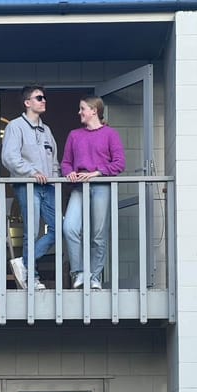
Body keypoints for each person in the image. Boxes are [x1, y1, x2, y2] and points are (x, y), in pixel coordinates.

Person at [61, 96, 125, 290]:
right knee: (69, 227)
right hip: (79, 188)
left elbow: (119, 163)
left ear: (94, 111)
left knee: (98, 234)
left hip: (100, 186)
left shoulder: (110, 134)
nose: (79, 112)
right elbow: (65, 162)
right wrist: (69, 172)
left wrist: (97, 172)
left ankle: (95, 276)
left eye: (82, 109)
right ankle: (79, 273)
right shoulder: (74, 135)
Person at [1, 85, 60, 290]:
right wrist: (32, 172)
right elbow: (9, 157)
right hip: (28, 186)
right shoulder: (15, 126)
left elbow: (54, 161)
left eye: (44, 98)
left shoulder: (47, 130)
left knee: (60, 230)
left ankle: (24, 262)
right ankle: (31, 277)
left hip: (49, 188)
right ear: (27, 103)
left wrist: (55, 179)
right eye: (39, 97)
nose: (44, 100)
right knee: (32, 231)